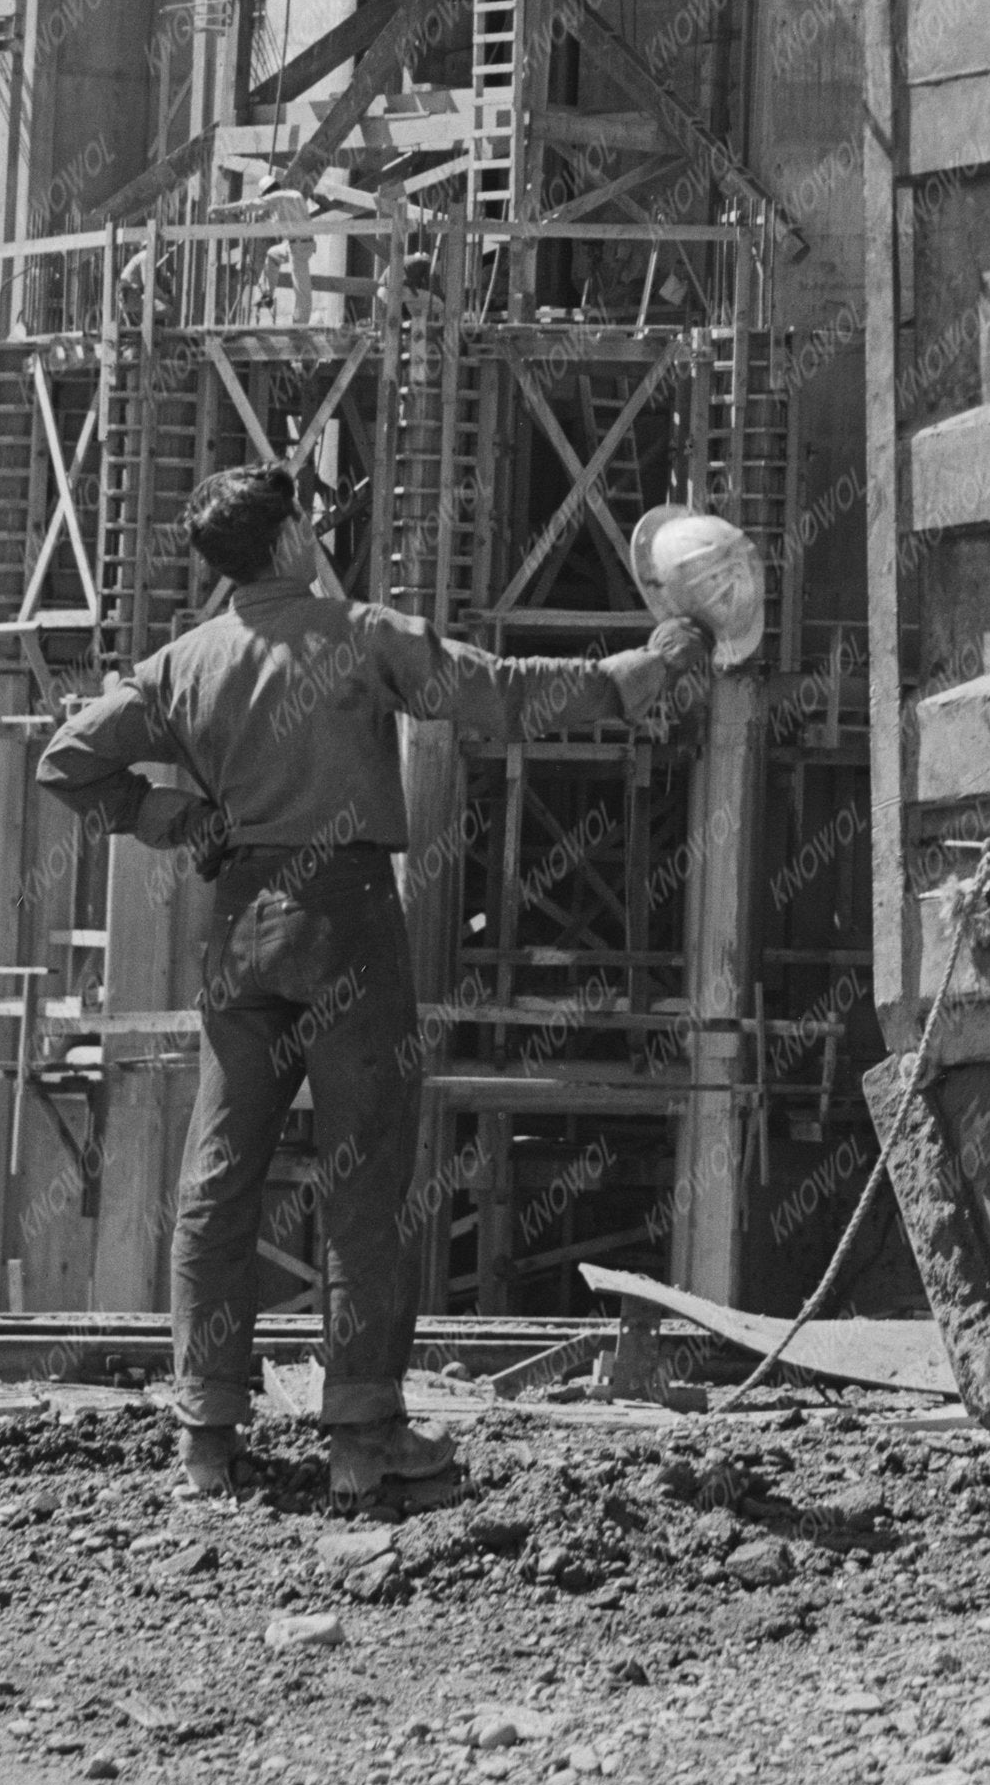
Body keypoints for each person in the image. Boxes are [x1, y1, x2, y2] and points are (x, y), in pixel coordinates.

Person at [40, 468, 714, 1509]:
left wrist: (172, 821)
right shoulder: (356, 632)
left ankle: (207, 1441)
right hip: (344, 916)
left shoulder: (182, 661)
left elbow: (66, 758)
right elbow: (494, 692)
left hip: (240, 926)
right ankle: (362, 1439)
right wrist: (636, 674)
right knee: (362, 1180)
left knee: (217, 1181)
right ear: (292, 536)